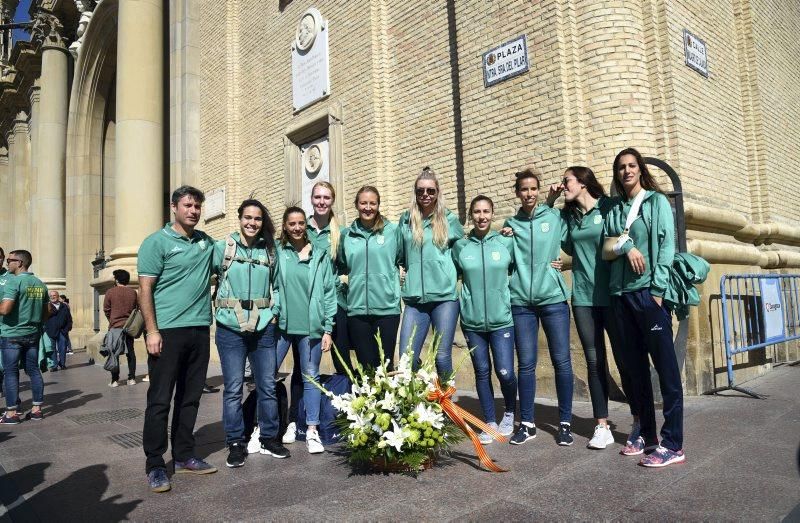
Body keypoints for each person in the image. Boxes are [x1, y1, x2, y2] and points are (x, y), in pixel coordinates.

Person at [546, 166, 637, 450]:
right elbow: (547, 227)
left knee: (624, 358)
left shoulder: (608, 207)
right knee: (594, 361)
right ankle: (602, 426)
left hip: (613, 294)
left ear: (583, 183)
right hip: (584, 298)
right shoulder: (569, 217)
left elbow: (626, 229)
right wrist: (550, 201)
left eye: (567, 181)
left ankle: (638, 421)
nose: (563, 186)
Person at [604, 147, 683, 467]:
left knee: (666, 372)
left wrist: (659, 291)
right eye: (621, 167)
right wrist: (629, 246)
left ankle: (674, 444)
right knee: (635, 372)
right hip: (620, 296)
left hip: (648, 295)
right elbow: (607, 247)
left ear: (640, 169)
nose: (626, 171)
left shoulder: (655, 202)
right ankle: (647, 437)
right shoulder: (614, 209)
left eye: (631, 165)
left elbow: (667, 245)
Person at [138, 186, 217, 493]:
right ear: (174, 207)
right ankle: (155, 464)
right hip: (167, 331)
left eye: (197, 206)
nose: (193, 210)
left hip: (199, 330)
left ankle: (184, 454)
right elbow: (144, 290)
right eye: (188, 205)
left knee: (190, 397)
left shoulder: (205, 243)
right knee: (159, 400)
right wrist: (152, 331)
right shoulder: (156, 242)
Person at [213, 198, 290, 468]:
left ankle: (270, 437)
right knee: (233, 388)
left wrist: (274, 314)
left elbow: (278, 285)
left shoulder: (270, 251)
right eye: (248, 217)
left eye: (257, 219)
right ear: (239, 217)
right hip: (229, 328)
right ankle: (235, 442)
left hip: (263, 327)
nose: (252, 223)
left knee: (267, 385)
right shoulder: (223, 247)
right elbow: (205, 277)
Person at [502, 168, 574, 446]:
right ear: (517, 192)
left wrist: (565, 264)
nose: (529, 193)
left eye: (533, 188)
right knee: (527, 364)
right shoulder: (511, 224)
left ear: (539, 190)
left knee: (562, 361)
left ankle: (565, 423)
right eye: (524, 189)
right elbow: (504, 258)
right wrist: (504, 236)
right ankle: (528, 423)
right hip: (521, 302)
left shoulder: (554, 216)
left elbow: (577, 242)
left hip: (554, 299)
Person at [279, 181, 351, 445]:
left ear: (332, 200)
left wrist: (339, 282)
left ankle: (343, 417)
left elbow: (344, 265)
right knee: (300, 370)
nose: (322, 201)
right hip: (299, 312)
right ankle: (295, 421)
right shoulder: (302, 228)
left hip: (331, 307)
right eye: (317, 197)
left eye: (327, 197)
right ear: (312, 199)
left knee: (338, 362)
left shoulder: (337, 233)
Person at [452, 196, 517, 444]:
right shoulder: (461, 247)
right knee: (482, 371)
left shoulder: (505, 242)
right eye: (477, 212)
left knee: (505, 371)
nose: (482, 216)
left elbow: (520, 269)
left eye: (486, 211)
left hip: (502, 320)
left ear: (492, 214)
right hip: (473, 322)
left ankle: (510, 412)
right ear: (471, 215)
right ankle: (489, 421)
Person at [274, 207, 337, 454]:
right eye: (292, 224)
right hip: (282, 326)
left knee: (311, 377)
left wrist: (328, 329)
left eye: (301, 223)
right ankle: (263, 429)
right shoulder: (279, 253)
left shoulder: (319, 255)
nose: (297, 227)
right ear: (286, 226)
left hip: (312, 328)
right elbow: (274, 286)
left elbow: (329, 292)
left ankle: (312, 430)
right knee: (267, 375)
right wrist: (275, 309)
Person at [397, 167, 464, 378]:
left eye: (430, 191)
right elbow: (400, 254)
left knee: (442, 357)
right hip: (415, 300)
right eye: (421, 191)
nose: (425, 195)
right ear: (415, 193)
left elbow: (463, 252)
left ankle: (446, 408)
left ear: (437, 193)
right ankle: (419, 405)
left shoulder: (449, 220)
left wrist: (448, 274)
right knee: (406, 360)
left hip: (444, 299)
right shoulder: (406, 220)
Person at [338, 186, 402, 369]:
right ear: (356, 205)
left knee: (385, 366)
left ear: (378, 205)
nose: (368, 207)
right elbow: (341, 266)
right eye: (363, 203)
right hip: (357, 310)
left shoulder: (392, 232)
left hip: (387, 309)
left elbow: (403, 258)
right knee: (366, 367)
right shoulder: (347, 235)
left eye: (372, 203)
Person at [0, 250, 49, 424]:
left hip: (12, 334)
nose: (7, 263)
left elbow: (5, 309)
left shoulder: (14, 282)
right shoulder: (40, 284)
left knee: (11, 373)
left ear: (19, 263)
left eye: (10, 260)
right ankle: (37, 410)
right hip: (33, 334)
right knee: (33, 370)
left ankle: (11, 413)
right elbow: (47, 312)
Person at [104, 269, 139, 387]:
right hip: (129, 326)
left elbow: (106, 309)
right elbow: (136, 308)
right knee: (131, 352)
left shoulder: (110, 292)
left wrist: (112, 320)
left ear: (117, 279)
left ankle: (115, 380)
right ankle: (132, 378)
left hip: (115, 327)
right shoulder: (133, 292)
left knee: (115, 353)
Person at [45, 290, 72, 371]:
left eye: (54, 295)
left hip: (62, 331)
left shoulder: (64, 306)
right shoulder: (47, 306)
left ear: (58, 296)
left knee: (63, 348)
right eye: (51, 296)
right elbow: (43, 318)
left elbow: (69, 318)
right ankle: (54, 365)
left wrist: (68, 328)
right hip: (50, 330)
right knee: (52, 349)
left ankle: (62, 364)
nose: (53, 297)